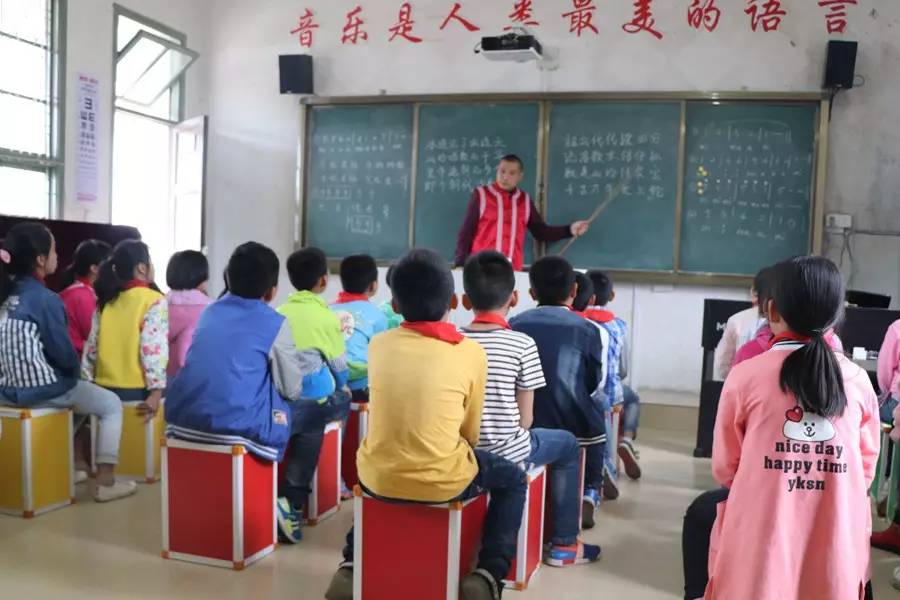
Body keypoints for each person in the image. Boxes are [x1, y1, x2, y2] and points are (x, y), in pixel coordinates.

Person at [325, 249, 527, 600]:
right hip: (444, 479)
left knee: (380, 462)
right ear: (453, 301)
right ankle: (489, 575)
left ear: (396, 305)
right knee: (512, 479)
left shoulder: (379, 345)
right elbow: (470, 431)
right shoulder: (469, 352)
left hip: (376, 477)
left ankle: (352, 565)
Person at [698, 256, 879, 600]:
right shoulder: (857, 381)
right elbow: (864, 472)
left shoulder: (746, 376)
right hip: (837, 540)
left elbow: (726, 468)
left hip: (760, 541)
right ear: (837, 315)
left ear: (772, 311)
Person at [461, 251, 601, 566]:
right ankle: (564, 543)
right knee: (567, 444)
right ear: (513, 297)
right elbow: (525, 420)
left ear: (466, 300)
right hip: (508, 450)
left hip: (461, 449)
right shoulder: (521, 343)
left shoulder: (454, 341)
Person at [165, 242, 308, 539]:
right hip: (239, 429)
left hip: (180, 423)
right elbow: (292, 389)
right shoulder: (275, 322)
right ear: (272, 290)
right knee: (290, 401)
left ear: (227, 278)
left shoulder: (209, 311)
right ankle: (276, 500)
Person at [0, 223, 135, 502]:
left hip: (6, 391)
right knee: (108, 404)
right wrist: (76, 376)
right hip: (41, 390)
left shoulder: (5, 294)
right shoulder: (45, 299)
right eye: (53, 250)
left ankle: (65, 465)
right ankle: (106, 480)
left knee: (79, 401)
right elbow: (64, 356)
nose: (57, 257)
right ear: (40, 259)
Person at [509, 256, 605, 530]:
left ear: (532, 293)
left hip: (527, 421)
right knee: (597, 416)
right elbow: (593, 381)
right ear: (574, 291)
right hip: (573, 422)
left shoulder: (515, 323)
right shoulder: (588, 329)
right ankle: (590, 489)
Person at [277, 247, 352, 535]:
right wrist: (341, 385)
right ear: (323, 281)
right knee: (336, 403)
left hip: (283, 398)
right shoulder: (326, 317)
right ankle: (293, 505)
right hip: (313, 403)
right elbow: (339, 367)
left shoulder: (280, 312)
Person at [455, 155, 590, 271]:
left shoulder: (524, 200)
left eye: (512, 173)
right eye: (502, 171)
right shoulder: (481, 195)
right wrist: (460, 263)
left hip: (511, 271)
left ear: (520, 176)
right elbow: (466, 231)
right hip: (481, 268)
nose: (505, 177)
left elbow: (541, 232)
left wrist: (570, 230)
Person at [82, 240, 168, 423]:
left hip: (102, 389)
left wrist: (88, 382)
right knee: (136, 449)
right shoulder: (154, 300)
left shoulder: (106, 300)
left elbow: (91, 349)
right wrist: (156, 391)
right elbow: (153, 348)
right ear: (142, 268)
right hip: (136, 391)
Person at [585, 270, 643, 486]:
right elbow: (623, 369)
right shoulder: (619, 325)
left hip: (577, 391)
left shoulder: (576, 320)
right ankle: (626, 440)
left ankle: (605, 464)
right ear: (612, 296)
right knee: (631, 398)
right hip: (609, 393)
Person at [330, 254, 388, 403]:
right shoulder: (378, 316)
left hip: (332, 386)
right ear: (373, 286)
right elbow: (381, 357)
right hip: (361, 389)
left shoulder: (327, 310)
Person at [868, 317, 900, 556]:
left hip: (896, 403)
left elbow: (885, 375)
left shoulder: (897, 328)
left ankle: (881, 486)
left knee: (880, 416)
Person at [712, 267, 770, 381]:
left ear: (754, 292)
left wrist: (735, 382)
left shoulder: (736, 320)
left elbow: (722, 364)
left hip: (740, 385)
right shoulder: (788, 322)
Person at [58, 239, 110, 357]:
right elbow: (94, 335)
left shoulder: (76, 291)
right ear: (94, 268)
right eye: (108, 265)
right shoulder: (83, 296)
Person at [164, 250, 211, 380]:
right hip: (194, 377)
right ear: (200, 276)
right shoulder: (208, 308)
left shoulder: (160, 304)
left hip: (161, 376)